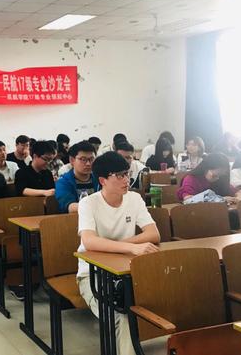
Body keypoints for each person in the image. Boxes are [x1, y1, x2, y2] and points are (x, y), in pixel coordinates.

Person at [77, 151, 160, 355]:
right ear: (103, 180)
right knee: (123, 315)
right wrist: (131, 247)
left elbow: (153, 234)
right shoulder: (88, 203)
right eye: (120, 175)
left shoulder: (134, 198)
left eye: (127, 173)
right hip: (93, 273)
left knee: (161, 303)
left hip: (127, 270)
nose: (126, 180)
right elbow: (89, 241)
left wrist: (116, 245)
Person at [55, 141, 100, 213]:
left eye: (91, 159)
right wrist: (97, 207)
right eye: (83, 159)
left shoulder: (100, 179)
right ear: (72, 160)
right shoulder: (63, 182)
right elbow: (70, 207)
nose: (88, 164)